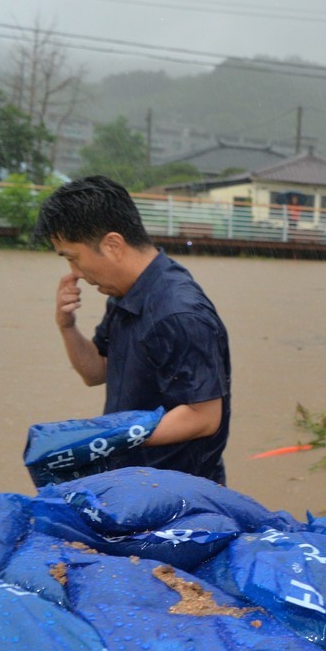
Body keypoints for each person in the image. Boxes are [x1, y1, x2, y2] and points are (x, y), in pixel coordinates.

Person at [34, 175, 231, 484]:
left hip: (176, 495)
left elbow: (203, 418)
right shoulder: (125, 294)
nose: (75, 273)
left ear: (113, 244)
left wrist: (103, 440)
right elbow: (96, 371)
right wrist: (67, 326)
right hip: (131, 482)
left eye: (74, 258)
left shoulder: (178, 313)